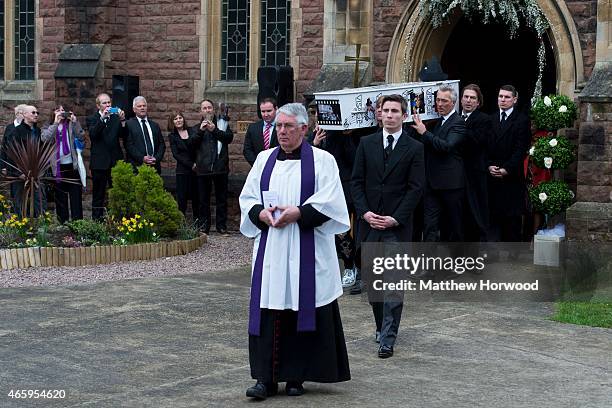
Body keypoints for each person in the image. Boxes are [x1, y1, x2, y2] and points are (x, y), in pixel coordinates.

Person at [240, 103, 351, 400]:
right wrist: (260, 215)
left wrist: (299, 213)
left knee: (303, 307)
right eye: (278, 126)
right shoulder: (264, 159)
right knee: (269, 307)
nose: (283, 132)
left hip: (306, 246)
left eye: (288, 126)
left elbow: (332, 201)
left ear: (304, 128)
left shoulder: (323, 160)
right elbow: (247, 197)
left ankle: (296, 377)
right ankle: (265, 378)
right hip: (272, 249)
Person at [352, 94, 425, 358]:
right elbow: (356, 182)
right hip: (370, 224)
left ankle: (388, 338)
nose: (390, 114)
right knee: (375, 286)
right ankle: (380, 326)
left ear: (404, 116)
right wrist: (365, 213)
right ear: (379, 114)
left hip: (397, 226)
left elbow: (416, 188)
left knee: (393, 284)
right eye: (386, 110)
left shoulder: (414, 148)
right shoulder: (366, 143)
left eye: (396, 111)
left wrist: (396, 217)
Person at [412, 84, 466, 242]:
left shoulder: (458, 122)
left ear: (453, 103)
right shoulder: (436, 122)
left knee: (455, 225)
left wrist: (424, 132)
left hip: (451, 185)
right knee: (430, 225)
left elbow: (446, 146)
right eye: (437, 100)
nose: (440, 104)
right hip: (431, 184)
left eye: (444, 101)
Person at [487, 85, 531, 242]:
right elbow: (486, 146)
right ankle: (493, 251)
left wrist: (507, 169)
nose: (503, 100)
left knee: (512, 216)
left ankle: (513, 253)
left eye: (506, 97)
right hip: (492, 175)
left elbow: (521, 149)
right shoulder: (491, 119)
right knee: (493, 215)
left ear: (515, 99)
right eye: (500, 96)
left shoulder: (522, 120)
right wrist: (489, 165)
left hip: (512, 176)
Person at [191, 99, 233, 234]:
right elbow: (191, 144)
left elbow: (228, 138)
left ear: (213, 110)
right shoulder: (196, 128)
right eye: (204, 108)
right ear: (201, 111)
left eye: (209, 108)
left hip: (220, 168)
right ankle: (205, 226)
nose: (207, 110)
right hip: (203, 169)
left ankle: (221, 226)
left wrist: (214, 130)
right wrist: (201, 131)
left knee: (222, 199)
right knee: (203, 200)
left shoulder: (222, 124)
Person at [41, 106, 85, 223]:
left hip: (72, 166)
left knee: (76, 196)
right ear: (53, 113)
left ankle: (78, 223)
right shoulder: (48, 125)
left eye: (62, 110)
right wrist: (55, 123)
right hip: (58, 168)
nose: (61, 112)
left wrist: (75, 122)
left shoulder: (70, 123)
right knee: (61, 198)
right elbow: (45, 139)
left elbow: (81, 136)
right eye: (58, 110)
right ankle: (63, 223)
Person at [86, 93, 127, 220]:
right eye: (104, 103)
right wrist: (102, 119)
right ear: (98, 105)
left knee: (117, 193)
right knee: (99, 194)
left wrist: (123, 120)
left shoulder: (115, 118)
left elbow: (123, 135)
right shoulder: (92, 118)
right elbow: (93, 135)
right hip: (99, 163)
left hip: (115, 161)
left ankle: (117, 220)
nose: (108, 105)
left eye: (109, 102)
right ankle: (97, 221)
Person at [459, 84, 491, 242]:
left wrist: (460, 126)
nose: (468, 101)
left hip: (475, 173)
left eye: (472, 98)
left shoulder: (484, 119)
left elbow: (478, 142)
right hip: (457, 173)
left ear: (478, 102)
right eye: (466, 97)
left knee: (477, 212)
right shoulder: (455, 117)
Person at [11, 105, 46, 216]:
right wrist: (18, 172)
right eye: (33, 113)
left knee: (39, 199)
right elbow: (12, 153)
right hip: (21, 173)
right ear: (24, 114)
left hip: (37, 172)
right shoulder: (16, 131)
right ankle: (21, 228)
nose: (36, 115)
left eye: (37, 113)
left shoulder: (38, 131)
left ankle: (40, 225)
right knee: (20, 201)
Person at [168, 111, 199, 221]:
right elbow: (176, 155)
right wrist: (191, 165)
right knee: (182, 200)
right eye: (175, 119)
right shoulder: (172, 136)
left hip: (196, 171)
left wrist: (196, 164)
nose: (178, 120)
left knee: (197, 199)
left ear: (183, 119)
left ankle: (197, 225)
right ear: (172, 122)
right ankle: (181, 225)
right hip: (182, 171)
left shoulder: (192, 131)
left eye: (180, 118)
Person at [125, 96, 165, 174]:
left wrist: (156, 158)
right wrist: (142, 158)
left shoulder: (154, 125)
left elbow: (162, 145)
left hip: (154, 167)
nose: (142, 108)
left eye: (144, 106)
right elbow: (128, 145)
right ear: (134, 109)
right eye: (139, 106)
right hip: (137, 168)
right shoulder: (129, 124)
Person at [243, 97, 278, 166]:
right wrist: (257, 165)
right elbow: (247, 150)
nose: (266, 114)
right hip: (258, 168)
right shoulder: (253, 128)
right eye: (263, 111)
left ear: (276, 109)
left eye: (269, 111)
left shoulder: (283, 127)